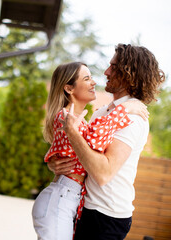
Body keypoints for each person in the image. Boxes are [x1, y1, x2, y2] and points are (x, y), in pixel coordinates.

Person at [47, 44, 165, 240]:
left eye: (113, 66)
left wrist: (73, 134)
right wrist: (56, 163)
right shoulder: (105, 111)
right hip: (85, 207)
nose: (106, 72)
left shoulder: (133, 118)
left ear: (129, 73)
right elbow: (84, 152)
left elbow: (103, 173)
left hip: (105, 216)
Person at [31, 61, 148, 240]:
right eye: (87, 78)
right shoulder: (66, 117)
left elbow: (89, 146)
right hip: (61, 198)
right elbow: (95, 138)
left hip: (70, 199)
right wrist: (124, 109)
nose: (94, 82)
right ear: (69, 88)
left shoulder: (83, 120)